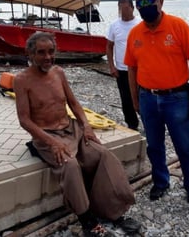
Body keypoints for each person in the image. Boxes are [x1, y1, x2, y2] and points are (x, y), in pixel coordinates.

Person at [14, 32, 140, 237]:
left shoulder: (59, 73)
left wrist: (87, 126)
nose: (47, 57)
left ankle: (113, 211)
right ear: (30, 53)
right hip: (47, 136)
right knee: (71, 165)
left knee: (103, 155)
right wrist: (51, 142)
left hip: (72, 129)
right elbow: (24, 120)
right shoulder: (22, 80)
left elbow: (73, 103)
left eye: (51, 52)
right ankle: (87, 220)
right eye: (41, 53)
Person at [124, 0, 189, 209]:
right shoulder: (135, 34)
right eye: (141, 4)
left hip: (177, 98)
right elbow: (132, 69)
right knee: (154, 146)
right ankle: (161, 181)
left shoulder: (178, 26)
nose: (146, 7)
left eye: (150, 1)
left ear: (161, 1)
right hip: (148, 98)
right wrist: (135, 99)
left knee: (186, 146)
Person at [106, 0, 141, 131]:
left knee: (142, 97)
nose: (123, 11)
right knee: (126, 99)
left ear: (132, 8)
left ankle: (148, 122)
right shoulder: (114, 25)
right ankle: (132, 125)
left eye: (126, 8)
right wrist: (111, 66)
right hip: (122, 69)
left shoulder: (139, 24)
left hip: (139, 68)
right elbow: (109, 46)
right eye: (120, 8)